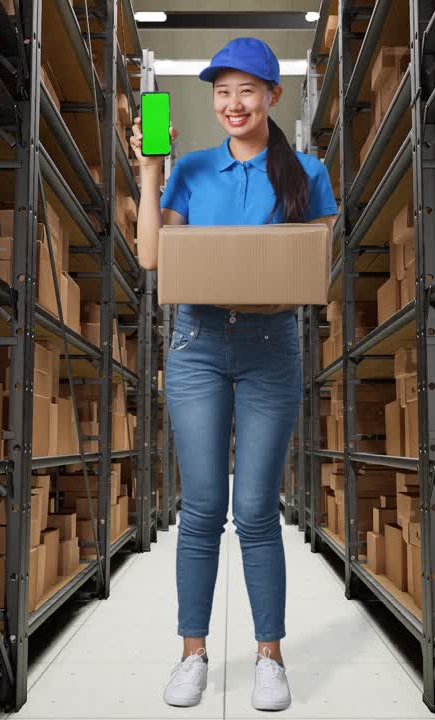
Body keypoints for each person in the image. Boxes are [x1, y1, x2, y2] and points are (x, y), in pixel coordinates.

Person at [131, 37, 338, 711]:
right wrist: (149, 170)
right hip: (195, 344)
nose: (233, 103)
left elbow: (318, 271)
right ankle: (192, 654)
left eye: (247, 90)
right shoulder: (188, 169)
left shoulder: (305, 172)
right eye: (222, 91)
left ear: (273, 96)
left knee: (254, 510)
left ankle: (269, 657)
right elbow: (149, 258)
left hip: (272, 345)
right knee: (200, 509)